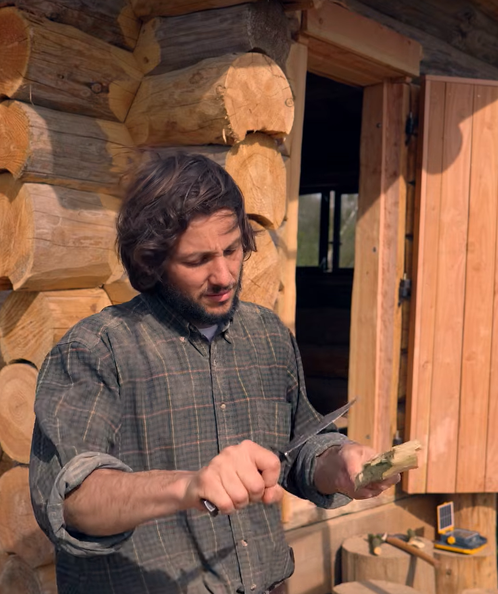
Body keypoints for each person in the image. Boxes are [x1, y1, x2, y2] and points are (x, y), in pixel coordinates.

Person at [29, 154, 400, 594]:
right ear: (152, 262)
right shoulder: (96, 349)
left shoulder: (266, 334)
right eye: (197, 259)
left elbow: (298, 448)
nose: (223, 275)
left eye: (231, 250)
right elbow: (73, 499)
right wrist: (191, 485)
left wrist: (339, 463)